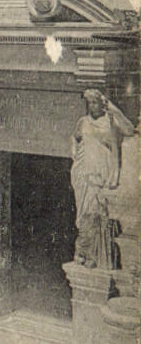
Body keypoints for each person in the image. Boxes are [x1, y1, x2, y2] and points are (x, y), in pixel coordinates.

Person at [70, 89, 135, 269]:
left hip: (102, 176)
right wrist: (74, 151)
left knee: (98, 213)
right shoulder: (83, 122)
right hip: (84, 175)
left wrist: (114, 110)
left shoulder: (110, 121)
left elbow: (130, 130)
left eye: (95, 102)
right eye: (89, 103)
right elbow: (74, 138)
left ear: (102, 104)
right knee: (84, 214)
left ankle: (94, 255)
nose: (92, 106)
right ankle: (83, 251)